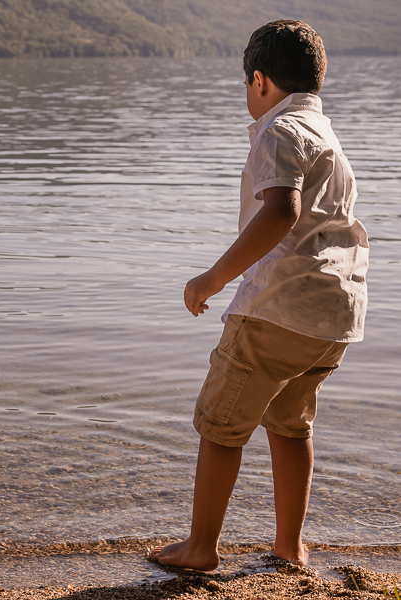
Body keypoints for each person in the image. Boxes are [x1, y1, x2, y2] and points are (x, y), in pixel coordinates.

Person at [150, 20, 368, 571]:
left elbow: (281, 210)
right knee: (290, 422)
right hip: (333, 316)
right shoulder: (327, 135)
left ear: (259, 80)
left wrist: (212, 278)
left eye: (247, 87)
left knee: (221, 422)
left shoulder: (279, 131)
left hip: (277, 308)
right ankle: (289, 546)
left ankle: (200, 548)